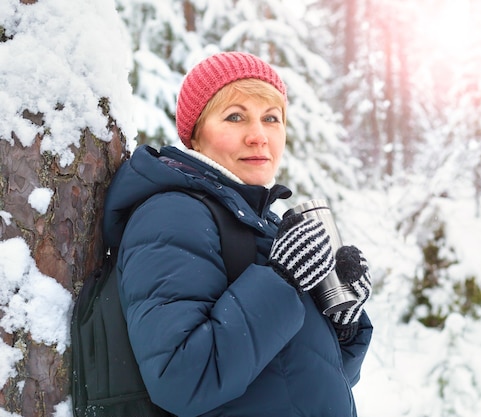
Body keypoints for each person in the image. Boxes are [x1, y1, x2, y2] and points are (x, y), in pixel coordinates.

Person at [102, 51, 373, 417]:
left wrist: (343, 326)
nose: (259, 136)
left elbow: (296, 377)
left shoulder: (262, 223)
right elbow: (182, 379)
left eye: (271, 119)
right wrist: (282, 280)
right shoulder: (171, 215)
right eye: (235, 117)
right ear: (195, 136)